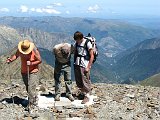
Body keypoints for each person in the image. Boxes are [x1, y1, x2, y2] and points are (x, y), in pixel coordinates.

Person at [7, 39, 42, 108]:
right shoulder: (20, 49)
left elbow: (39, 60)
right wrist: (10, 60)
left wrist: (31, 63)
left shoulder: (34, 50)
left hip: (33, 71)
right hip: (24, 71)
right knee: (27, 86)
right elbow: (16, 55)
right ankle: (33, 98)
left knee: (30, 87)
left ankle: (31, 104)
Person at [73, 31, 94, 104]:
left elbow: (92, 55)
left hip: (84, 64)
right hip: (77, 63)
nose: (76, 41)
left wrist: (88, 67)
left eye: (77, 40)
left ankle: (87, 96)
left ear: (80, 38)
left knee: (85, 80)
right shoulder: (77, 43)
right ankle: (82, 93)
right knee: (78, 79)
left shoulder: (87, 43)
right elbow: (74, 51)